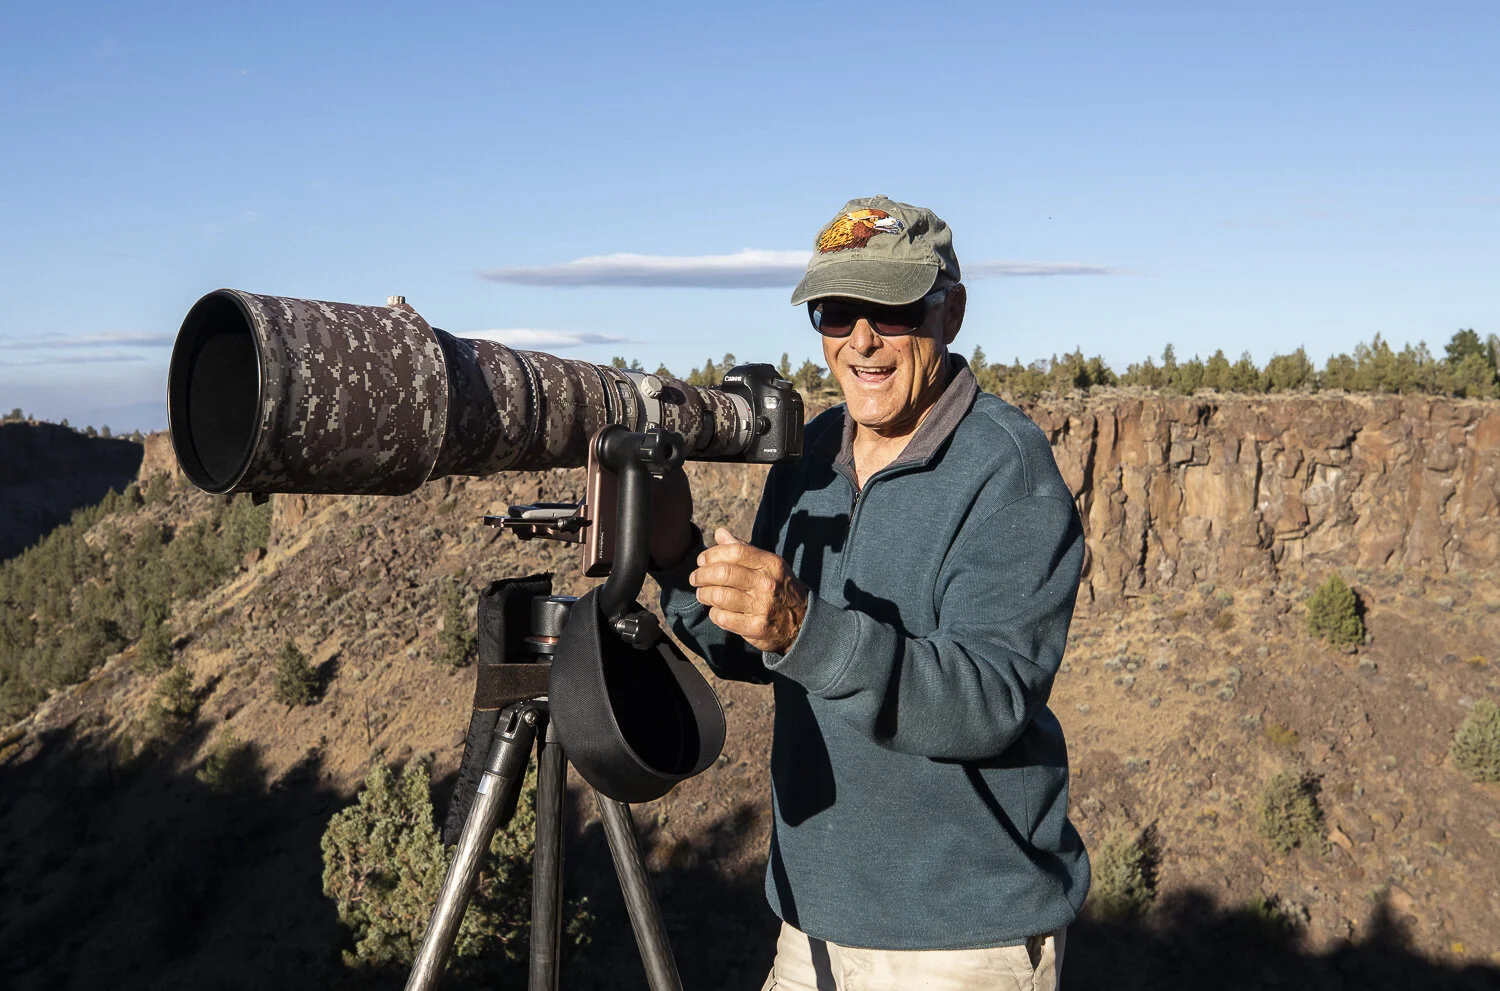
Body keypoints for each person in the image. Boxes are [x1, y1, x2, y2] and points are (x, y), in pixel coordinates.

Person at [648, 195, 1089, 991]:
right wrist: (675, 552)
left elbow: (988, 699)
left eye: (891, 308)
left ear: (950, 312)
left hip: (960, 942)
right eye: (835, 311)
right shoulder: (812, 452)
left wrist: (804, 628)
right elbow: (762, 650)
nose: (861, 339)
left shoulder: (1007, 468)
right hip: (810, 925)